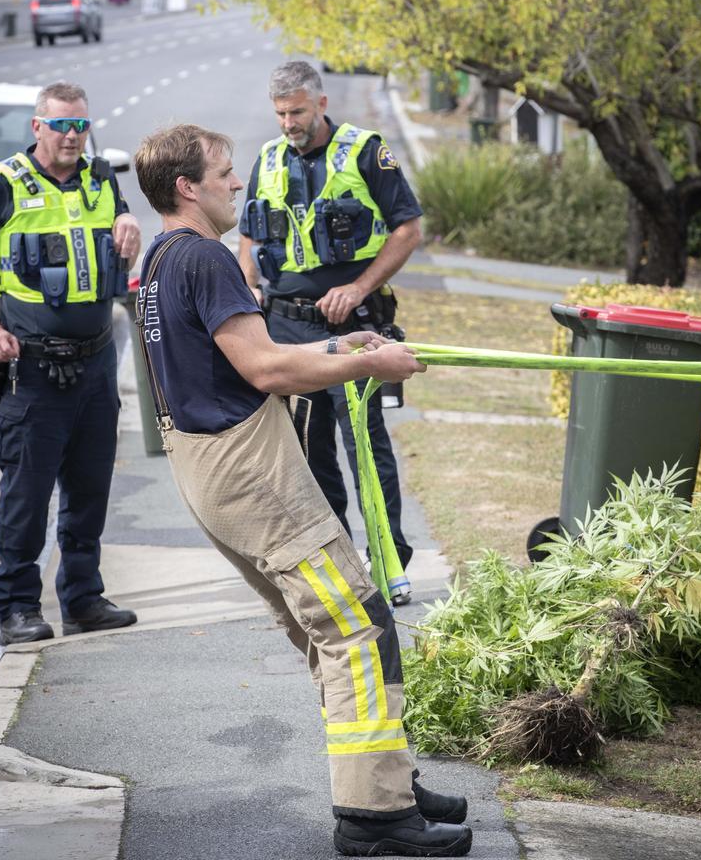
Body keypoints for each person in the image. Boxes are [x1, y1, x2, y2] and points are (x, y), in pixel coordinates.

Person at [134, 123, 471, 858]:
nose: (238, 184)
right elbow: (266, 373)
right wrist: (367, 369)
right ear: (187, 187)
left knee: (323, 632)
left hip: (211, 473)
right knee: (357, 629)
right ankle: (375, 819)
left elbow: (250, 359)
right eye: (224, 173)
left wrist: (341, 345)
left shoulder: (164, 258)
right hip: (252, 475)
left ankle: (387, 779)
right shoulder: (210, 261)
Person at [238, 61, 422, 599]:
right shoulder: (269, 157)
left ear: (320, 103)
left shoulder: (365, 151)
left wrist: (359, 288)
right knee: (306, 451)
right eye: (280, 114)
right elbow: (249, 233)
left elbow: (407, 230)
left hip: (356, 327)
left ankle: (390, 562)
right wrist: (248, 285)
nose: (288, 123)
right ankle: (337, 561)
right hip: (286, 329)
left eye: (296, 111)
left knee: (365, 445)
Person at [0, 81, 141, 646]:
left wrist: (130, 227)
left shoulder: (100, 177)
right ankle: (19, 607)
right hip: (34, 371)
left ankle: (83, 598)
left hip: (96, 364)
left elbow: (120, 234)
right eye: (61, 125)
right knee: (25, 496)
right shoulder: (1, 184)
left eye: (80, 125)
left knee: (90, 489)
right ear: (37, 127)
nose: (72, 136)